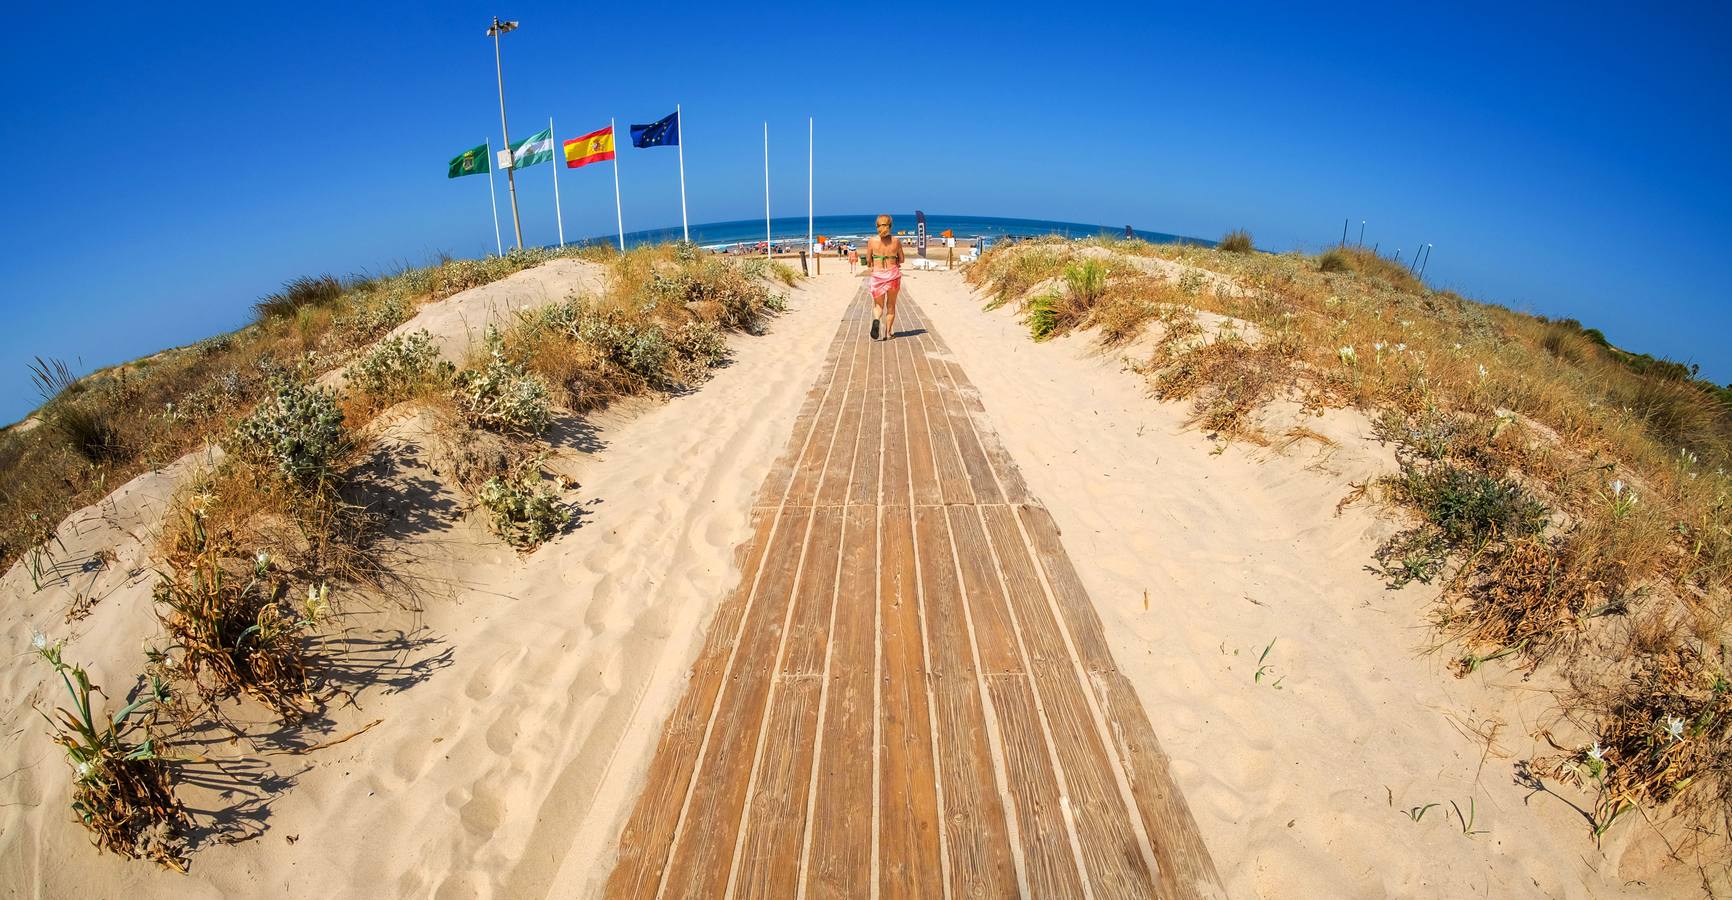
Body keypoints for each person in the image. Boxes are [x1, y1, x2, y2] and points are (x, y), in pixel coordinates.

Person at [858, 214, 903, 340]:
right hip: (893, 275)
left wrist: (872, 262)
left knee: (878, 306)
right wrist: (895, 259)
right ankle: (888, 333)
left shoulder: (872, 241)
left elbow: (868, 260)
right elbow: (903, 259)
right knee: (891, 305)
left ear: (877, 226)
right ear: (890, 226)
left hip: (877, 276)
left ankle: (877, 319)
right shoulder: (896, 241)